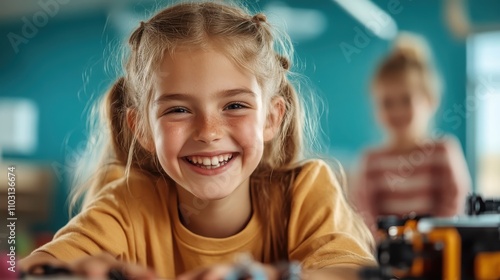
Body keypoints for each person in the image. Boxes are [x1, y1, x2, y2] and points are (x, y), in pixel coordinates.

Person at [19, 1, 375, 279]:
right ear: (141, 127)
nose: (208, 131)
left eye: (234, 105)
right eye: (178, 110)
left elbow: (352, 272)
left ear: (271, 118)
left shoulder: (305, 191)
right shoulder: (127, 205)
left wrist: (272, 276)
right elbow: (35, 267)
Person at [352, 33, 471, 237]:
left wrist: (428, 241)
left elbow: (456, 203)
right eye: (387, 103)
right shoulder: (370, 161)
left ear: (430, 100)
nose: (397, 110)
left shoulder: (443, 151)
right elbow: (362, 214)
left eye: (406, 100)